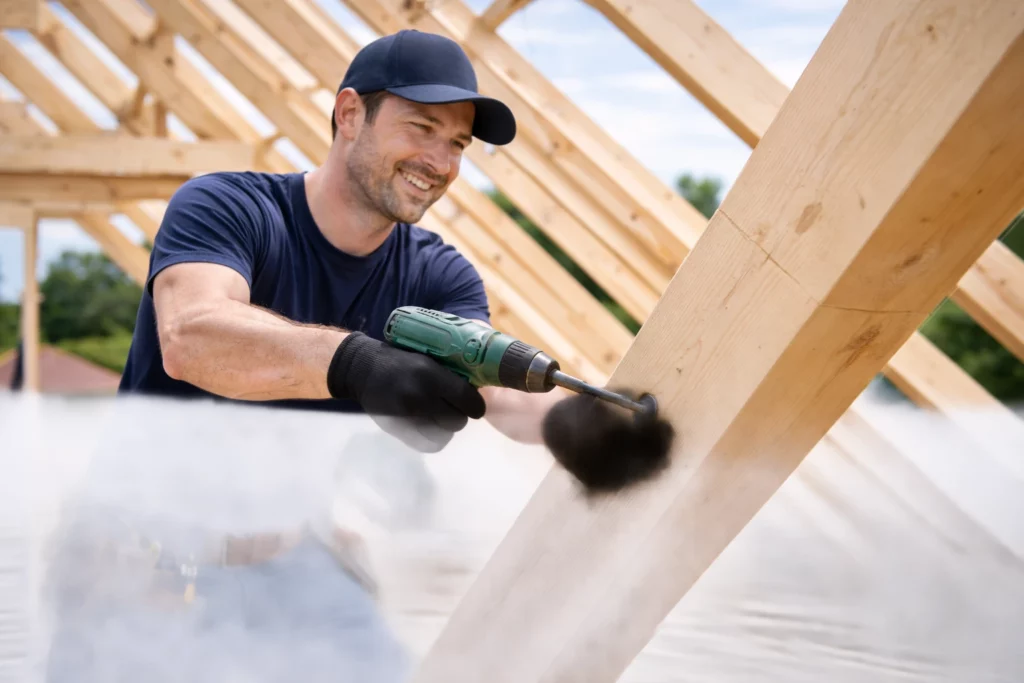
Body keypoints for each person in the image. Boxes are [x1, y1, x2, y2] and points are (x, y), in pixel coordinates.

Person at [41, 29, 570, 683]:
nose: (441, 160)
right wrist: (355, 362)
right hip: (135, 565)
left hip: (290, 567)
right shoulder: (226, 207)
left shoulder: (440, 277)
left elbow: (505, 395)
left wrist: (594, 427)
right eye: (422, 127)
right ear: (350, 115)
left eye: (458, 143)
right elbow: (192, 337)